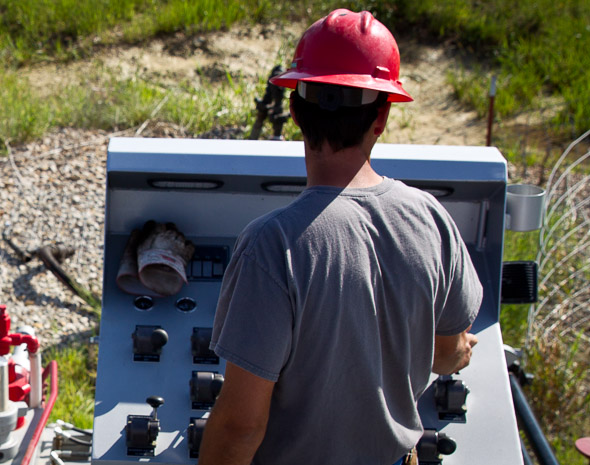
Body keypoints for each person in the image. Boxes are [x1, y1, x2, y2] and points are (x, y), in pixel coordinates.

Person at [199, 10, 482, 465]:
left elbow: (240, 426)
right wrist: (460, 352)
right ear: (382, 118)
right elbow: (446, 355)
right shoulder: (431, 218)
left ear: (294, 112)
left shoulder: (272, 246)